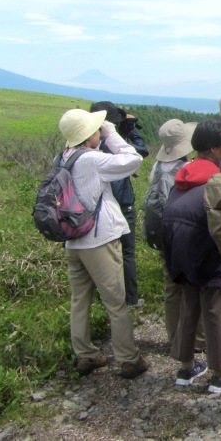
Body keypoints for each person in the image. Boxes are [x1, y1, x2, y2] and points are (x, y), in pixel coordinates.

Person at [57, 108, 150, 379]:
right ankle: (129, 359)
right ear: (89, 135)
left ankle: (85, 355)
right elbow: (133, 159)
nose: (100, 130)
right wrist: (112, 135)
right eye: (96, 129)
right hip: (98, 239)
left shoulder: (63, 157)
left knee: (79, 300)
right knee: (115, 301)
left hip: (73, 241)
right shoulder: (91, 160)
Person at [162, 120, 221, 393]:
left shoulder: (183, 175)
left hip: (176, 249)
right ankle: (220, 374)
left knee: (189, 306)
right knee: (214, 309)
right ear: (215, 149)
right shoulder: (215, 181)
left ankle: (187, 368)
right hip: (205, 249)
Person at [145, 119, 205, 351]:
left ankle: (174, 336)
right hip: (183, 232)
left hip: (162, 232)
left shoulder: (157, 168)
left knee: (171, 285)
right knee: (193, 284)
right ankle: (199, 340)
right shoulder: (186, 169)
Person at [90, 101, 150, 308]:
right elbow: (141, 152)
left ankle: (104, 297)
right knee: (126, 253)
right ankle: (130, 298)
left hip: (97, 208)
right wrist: (130, 132)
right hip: (121, 204)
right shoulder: (114, 144)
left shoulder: (90, 144)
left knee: (104, 254)